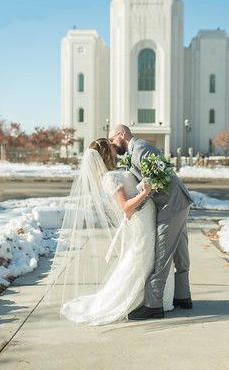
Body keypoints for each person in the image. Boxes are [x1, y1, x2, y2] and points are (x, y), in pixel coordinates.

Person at [56, 138, 175, 325]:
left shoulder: (113, 173)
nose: (114, 145)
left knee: (151, 258)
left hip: (146, 219)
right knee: (142, 259)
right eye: (111, 145)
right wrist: (145, 192)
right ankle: (133, 301)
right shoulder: (109, 179)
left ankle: (152, 300)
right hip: (140, 223)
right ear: (105, 153)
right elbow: (126, 207)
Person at [109, 125, 194, 321]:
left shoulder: (140, 149)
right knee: (180, 252)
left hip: (170, 205)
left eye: (113, 140)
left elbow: (155, 180)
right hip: (178, 202)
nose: (113, 144)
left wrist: (139, 202)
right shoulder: (136, 150)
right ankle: (183, 296)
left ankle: (153, 305)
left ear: (122, 135)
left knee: (162, 254)